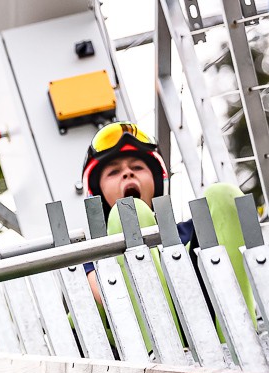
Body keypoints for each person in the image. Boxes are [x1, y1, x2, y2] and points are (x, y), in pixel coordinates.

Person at [80, 122, 255, 330]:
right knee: (129, 213)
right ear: (98, 192)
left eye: (137, 167)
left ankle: (244, 330)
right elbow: (108, 299)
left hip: (224, 330)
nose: (127, 173)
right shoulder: (96, 258)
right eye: (114, 172)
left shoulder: (193, 232)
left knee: (222, 194)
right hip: (149, 344)